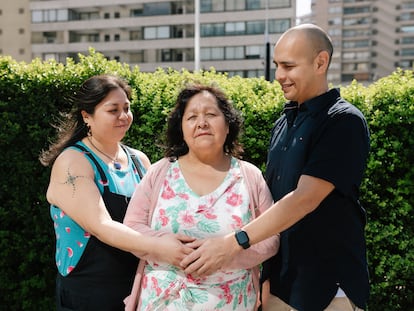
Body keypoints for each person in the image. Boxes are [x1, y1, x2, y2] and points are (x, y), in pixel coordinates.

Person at [180, 24, 370, 311]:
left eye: (289, 66)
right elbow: (270, 203)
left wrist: (233, 243)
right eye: (277, 65)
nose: (279, 75)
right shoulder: (283, 123)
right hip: (279, 287)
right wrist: (265, 276)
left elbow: (304, 198)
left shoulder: (344, 122)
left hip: (329, 289)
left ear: (321, 62)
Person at [39, 74, 195, 310]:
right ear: (86, 116)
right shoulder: (73, 161)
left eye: (127, 108)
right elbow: (101, 225)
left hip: (138, 286)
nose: (124, 117)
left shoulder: (139, 160)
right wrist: (160, 247)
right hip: (89, 293)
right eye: (113, 110)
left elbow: (162, 216)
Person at [123, 83, 279, 311]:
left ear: (228, 125)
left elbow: (271, 236)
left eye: (211, 114)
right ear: (182, 129)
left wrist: (228, 253)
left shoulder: (248, 176)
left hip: (233, 303)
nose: (201, 123)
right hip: (161, 302)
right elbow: (132, 227)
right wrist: (162, 246)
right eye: (192, 117)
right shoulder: (160, 172)